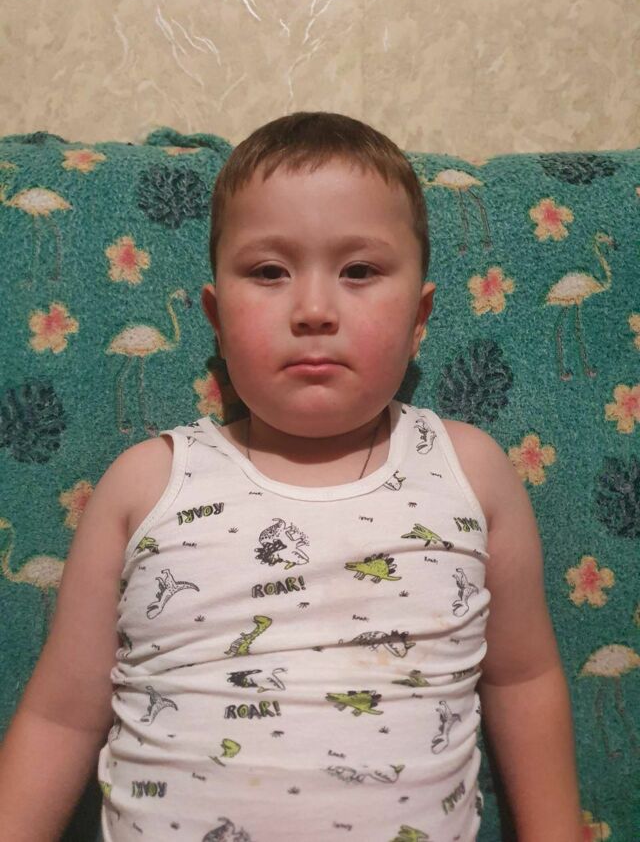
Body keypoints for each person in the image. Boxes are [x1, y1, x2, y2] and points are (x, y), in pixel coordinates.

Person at [0, 112, 583, 842]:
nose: (312, 311)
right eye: (269, 272)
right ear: (215, 318)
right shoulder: (146, 484)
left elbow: (523, 681)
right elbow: (60, 715)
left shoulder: (471, 473)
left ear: (420, 317)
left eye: (359, 271)